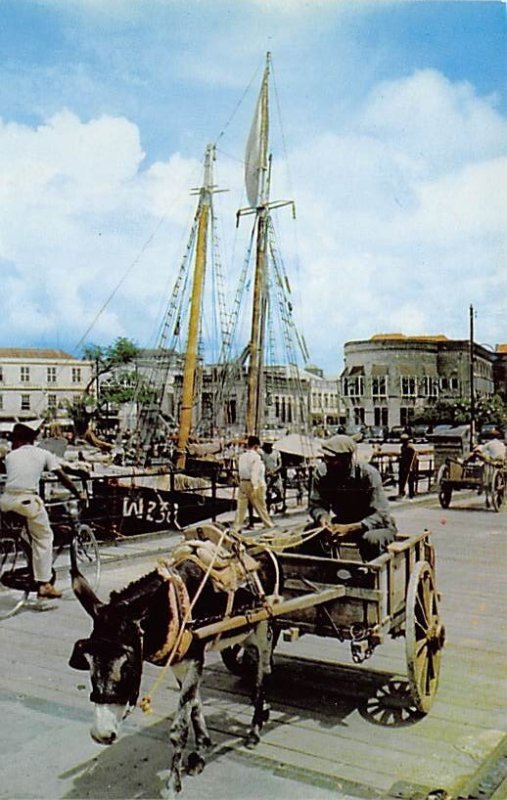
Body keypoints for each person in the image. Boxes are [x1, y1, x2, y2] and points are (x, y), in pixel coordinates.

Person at [0, 423, 87, 598]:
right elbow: (62, 477)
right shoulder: (44, 454)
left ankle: (31, 559)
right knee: (45, 537)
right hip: (27, 501)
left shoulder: (10, 456)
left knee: (29, 535)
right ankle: (45, 584)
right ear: (32, 439)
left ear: (18, 441)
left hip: (6, 500)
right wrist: (78, 494)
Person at [309, 434, 397, 561]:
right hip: (343, 522)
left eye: (332, 459)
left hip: (374, 526)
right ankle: (324, 574)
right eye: (325, 458)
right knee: (311, 533)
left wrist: (352, 528)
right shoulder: (321, 473)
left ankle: (371, 577)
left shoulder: (368, 474)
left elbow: (381, 514)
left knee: (370, 539)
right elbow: (316, 505)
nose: (327, 462)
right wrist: (322, 517)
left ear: (347, 459)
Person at [232, 435, 275, 532]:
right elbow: (255, 473)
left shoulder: (241, 457)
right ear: (256, 446)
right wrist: (255, 486)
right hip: (254, 484)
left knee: (241, 508)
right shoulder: (256, 458)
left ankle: (236, 528)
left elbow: (240, 471)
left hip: (243, 483)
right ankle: (269, 526)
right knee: (261, 507)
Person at [260, 441, 283, 509]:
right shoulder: (263, 454)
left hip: (276, 475)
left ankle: (277, 505)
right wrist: (266, 472)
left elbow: (280, 464)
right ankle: (268, 507)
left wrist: (275, 470)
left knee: (279, 491)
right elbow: (261, 464)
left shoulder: (276, 453)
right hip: (267, 476)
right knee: (268, 492)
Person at [398, 433, 419, 499]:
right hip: (403, 466)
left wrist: (412, 467)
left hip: (409, 466)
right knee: (401, 480)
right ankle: (401, 492)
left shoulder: (410, 448)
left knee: (410, 480)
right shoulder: (402, 447)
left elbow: (413, 458)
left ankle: (411, 494)